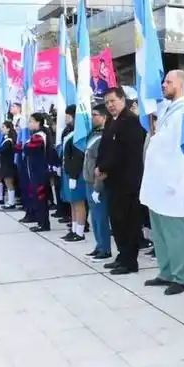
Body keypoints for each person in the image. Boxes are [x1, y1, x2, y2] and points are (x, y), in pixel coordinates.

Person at [140, 70, 184, 295]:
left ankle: (180, 277)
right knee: (159, 231)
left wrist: (173, 180)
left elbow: (182, 150)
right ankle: (165, 272)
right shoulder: (169, 109)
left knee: (174, 231)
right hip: (156, 180)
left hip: (171, 182)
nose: (164, 84)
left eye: (169, 82)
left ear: (180, 85)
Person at [96, 87, 146, 275]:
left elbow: (124, 153)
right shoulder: (111, 121)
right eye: (107, 102)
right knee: (116, 221)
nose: (110, 105)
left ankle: (130, 261)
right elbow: (105, 148)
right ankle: (122, 255)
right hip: (112, 180)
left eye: (113, 101)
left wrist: (104, 167)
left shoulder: (131, 121)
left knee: (128, 222)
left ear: (122, 100)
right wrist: (100, 166)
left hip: (127, 181)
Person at [83, 104, 110, 261]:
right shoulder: (93, 135)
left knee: (101, 217)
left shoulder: (104, 137)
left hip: (97, 183)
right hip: (88, 181)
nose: (92, 118)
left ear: (104, 117)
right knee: (94, 217)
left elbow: (101, 164)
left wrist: (98, 187)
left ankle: (105, 249)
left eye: (95, 115)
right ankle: (99, 245)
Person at [60, 105, 87, 242]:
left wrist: (73, 175)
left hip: (76, 173)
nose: (66, 118)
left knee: (79, 203)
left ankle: (80, 232)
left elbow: (77, 156)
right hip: (68, 171)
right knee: (72, 202)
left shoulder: (79, 135)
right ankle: (74, 229)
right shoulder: (70, 133)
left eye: (68, 116)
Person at [24, 113, 52, 232]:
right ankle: (41, 222)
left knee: (40, 197)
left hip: (39, 171)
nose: (29, 124)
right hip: (36, 170)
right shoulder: (36, 135)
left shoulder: (39, 136)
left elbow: (28, 148)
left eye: (31, 121)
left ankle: (44, 224)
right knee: (37, 197)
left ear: (38, 122)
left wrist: (25, 144)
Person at [0, 121, 18, 210]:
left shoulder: (9, 141)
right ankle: (10, 201)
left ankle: (11, 202)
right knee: (7, 183)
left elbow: (1, 150)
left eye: (3, 127)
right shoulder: (6, 139)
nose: (1, 129)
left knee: (9, 183)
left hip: (8, 164)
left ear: (8, 128)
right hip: (5, 164)